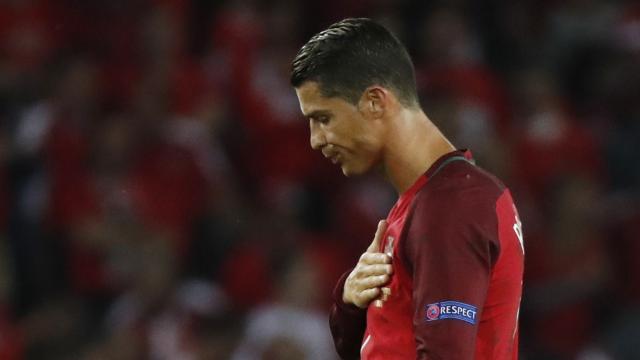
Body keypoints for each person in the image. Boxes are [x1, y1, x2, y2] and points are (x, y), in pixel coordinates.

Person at [290, 18, 524, 359]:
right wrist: (351, 304)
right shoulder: (427, 201)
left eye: (323, 118)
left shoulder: (452, 205)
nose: (315, 140)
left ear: (374, 102)